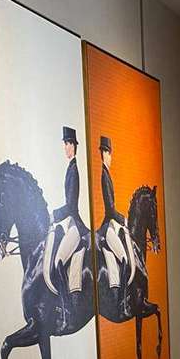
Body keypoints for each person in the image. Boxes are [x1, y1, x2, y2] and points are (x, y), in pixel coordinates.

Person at [44, 127, 89, 296]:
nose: (64, 148)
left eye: (66, 144)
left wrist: (53, 216)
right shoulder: (70, 168)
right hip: (71, 222)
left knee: (59, 261)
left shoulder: (74, 170)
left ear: (72, 145)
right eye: (64, 144)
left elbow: (70, 206)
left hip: (76, 224)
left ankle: (67, 306)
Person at [97, 136, 135, 290]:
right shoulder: (104, 176)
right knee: (124, 258)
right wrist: (123, 220)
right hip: (107, 225)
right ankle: (122, 298)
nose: (110, 157)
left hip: (111, 223)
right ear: (104, 154)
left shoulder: (107, 174)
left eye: (109, 153)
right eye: (108, 153)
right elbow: (110, 209)